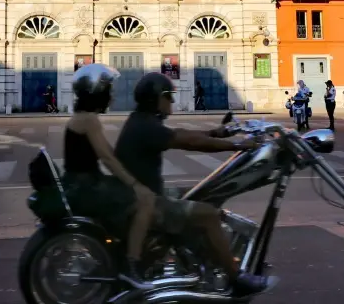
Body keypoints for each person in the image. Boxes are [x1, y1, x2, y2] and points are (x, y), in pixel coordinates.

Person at [114, 72, 278, 297]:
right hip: (144, 203)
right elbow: (187, 141)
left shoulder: (141, 121)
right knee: (208, 214)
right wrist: (235, 145)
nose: (172, 101)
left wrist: (216, 132)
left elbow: (181, 134)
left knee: (200, 194)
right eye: (168, 96)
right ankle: (236, 277)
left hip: (141, 195)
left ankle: (200, 257)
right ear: (156, 98)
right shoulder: (146, 127)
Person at [61, 64, 157, 289]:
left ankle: (118, 253)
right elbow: (107, 159)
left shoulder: (83, 117)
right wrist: (135, 184)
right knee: (146, 201)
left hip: (80, 184)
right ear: (96, 92)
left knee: (129, 196)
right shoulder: (89, 121)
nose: (112, 95)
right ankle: (132, 267)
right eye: (108, 90)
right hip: (86, 188)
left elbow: (109, 154)